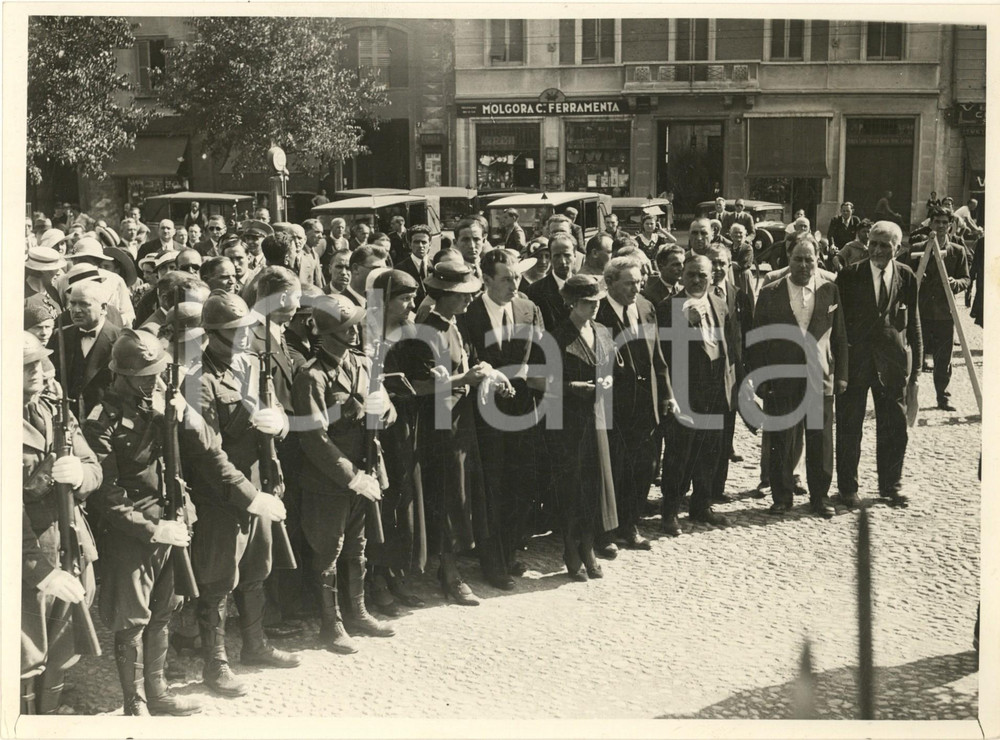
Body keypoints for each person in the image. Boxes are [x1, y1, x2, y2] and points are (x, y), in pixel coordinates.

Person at [81, 330, 207, 716]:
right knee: (132, 620)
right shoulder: (103, 421)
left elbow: (197, 450)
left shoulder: (159, 408)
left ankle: (158, 691)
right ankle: (134, 702)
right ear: (123, 374)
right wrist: (151, 529)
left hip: (170, 522)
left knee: (163, 612)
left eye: (156, 373)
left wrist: (183, 414)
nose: (153, 380)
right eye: (145, 375)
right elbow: (107, 495)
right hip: (130, 535)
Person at [184, 290, 300, 698]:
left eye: (247, 327)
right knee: (218, 580)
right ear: (211, 335)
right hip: (223, 493)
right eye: (235, 330)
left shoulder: (252, 364)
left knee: (256, 569)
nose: (246, 335)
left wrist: (280, 424)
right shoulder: (197, 379)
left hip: (257, 482)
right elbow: (207, 453)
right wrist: (250, 496)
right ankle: (215, 663)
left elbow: (275, 413)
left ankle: (255, 644)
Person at [393, 261, 495, 605]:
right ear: (444, 296)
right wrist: (462, 381)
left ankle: (452, 566)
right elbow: (418, 386)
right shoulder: (424, 332)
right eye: (462, 295)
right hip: (437, 429)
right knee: (446, 498)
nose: (469, 301)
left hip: (460, 424)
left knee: (462, 494)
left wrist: (482, 374)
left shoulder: (455, 326)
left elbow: (463, 367)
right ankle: (449, 572)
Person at [20, 332, 102, 716]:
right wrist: (39, 570)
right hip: (26, 557)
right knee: (24, 651)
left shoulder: (54, 404)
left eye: (38, 363)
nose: (36, 372)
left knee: (63, 640)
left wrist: (81, 475)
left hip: (68, 539)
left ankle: (49, 715)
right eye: (24, 367)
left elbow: (92, 464)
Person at [458, 249, 546, 586]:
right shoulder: (471, 313)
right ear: (487, 279)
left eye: (517, 277)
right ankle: (491, 560)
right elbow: (467, 359)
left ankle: (509, 551)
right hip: (484, 414)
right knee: (491, 487)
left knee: (520, 484)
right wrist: (493, 375)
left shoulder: (528, 308)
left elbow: (541, 354)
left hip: (523, 411)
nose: (514, 284)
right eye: (506, 278)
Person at [750, 237, 848, 519]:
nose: (803, 265)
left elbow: (839, 335)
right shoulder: (770, 292)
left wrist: (841, 375)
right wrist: (760, 378)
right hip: (782, 378)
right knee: (782, 438)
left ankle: (820, 497)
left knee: (819, 439)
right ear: (788, 259)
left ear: (818, 260)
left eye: (809, 259)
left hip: (819, 378)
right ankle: (781, 496)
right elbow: (757, 339)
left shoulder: (830, 290)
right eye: (798, 259)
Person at [835, 221, 921, 508]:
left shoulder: (906, 277)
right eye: (873, 243)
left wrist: (916, 370)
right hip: (856, 363)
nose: (877, 250)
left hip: (892, 365)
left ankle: (891, 485)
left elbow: (914, 324)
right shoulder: (849, 276)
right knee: (849, 426)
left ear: (898, 247)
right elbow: (839, 325)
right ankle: (848, 487)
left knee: (894, 426)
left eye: (885, 245)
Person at [597, 256, 677, 551]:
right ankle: (606, 532)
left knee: (644, 466)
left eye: (639, 282)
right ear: (610, 283)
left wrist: (666, 393)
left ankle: (630, 525)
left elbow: (658, 356)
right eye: (629, 283)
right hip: (613, 405)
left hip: (646, 403)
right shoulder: (599, 311)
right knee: (613, 468)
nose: (636, 288)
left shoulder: (645, 307)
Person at [364, 270, 427, 613]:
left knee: (402, 495)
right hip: (375, 427)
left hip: (404, 421)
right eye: (404, 298)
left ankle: (393, 571)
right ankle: (373, 577)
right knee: (381, 500)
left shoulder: (410, 330)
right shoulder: (364, 330)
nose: (411, 305)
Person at [657, 255, 734, 535]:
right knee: (680, 454)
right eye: (691, 275)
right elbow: (664, 352)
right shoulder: (668, 308)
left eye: (703, 275)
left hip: (715, 389)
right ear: (682, 276)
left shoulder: (720, 304)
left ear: (712, 276)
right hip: (685, 391)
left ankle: (701, 505)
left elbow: (728, 346)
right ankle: (669, 512)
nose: (697, 280)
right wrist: (684, 322)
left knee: (710, 451)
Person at [548, 275, 618, 579]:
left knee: (593, 485)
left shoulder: (602, 331)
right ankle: (569, 546)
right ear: (571, 303)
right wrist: (569, 387)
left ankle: (588, 544)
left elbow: (611, 368)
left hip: (597, 417)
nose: (594, 307)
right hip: (567, 420)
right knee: (570, 486)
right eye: (587, 303)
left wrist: (607, 381)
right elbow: (546, 383)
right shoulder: (556, 336)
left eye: (597, 301)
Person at [908, 208, 970, 412]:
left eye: (945, 222)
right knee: (915, 357)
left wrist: (956, 283)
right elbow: (903, 273)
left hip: (944, 313)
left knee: (943, 359)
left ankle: (943, 397)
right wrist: (916, 276)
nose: (941, 226)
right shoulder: (917, 248)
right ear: (931, 224)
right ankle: (909, 398)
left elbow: (966, 279)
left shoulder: (957, 251)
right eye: (937, 222)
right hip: (921, 312)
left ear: (950, 225)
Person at [705, 244, 754, 478]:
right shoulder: (697, 293)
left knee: (727, 428)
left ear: (730, 264)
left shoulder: (737, 294)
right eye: (712, 263)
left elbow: (746, 334)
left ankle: (718, 486)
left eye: (722, 263)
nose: (717, 268)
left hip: (732, 373)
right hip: (706, 374)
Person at [47, 280, 122, 421]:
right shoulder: (59, 336)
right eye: (72, 303)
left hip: (104, 424)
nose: (76, 310)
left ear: (103, 308)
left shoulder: (121, 340)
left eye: (84, 304)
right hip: (66, 422)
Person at [525, 233, 576, 331]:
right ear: (551, 258)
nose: (563, 262)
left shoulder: (584, 287)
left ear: (575, 255)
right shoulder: (534, 291)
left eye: (567, 255)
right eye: (557, 256)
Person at [393, 225, 433, 306]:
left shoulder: (436, 265)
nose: (420, 246)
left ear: (430, 244)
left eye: (424, 242)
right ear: (410, 244)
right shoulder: (400, 269)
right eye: (416, 242)